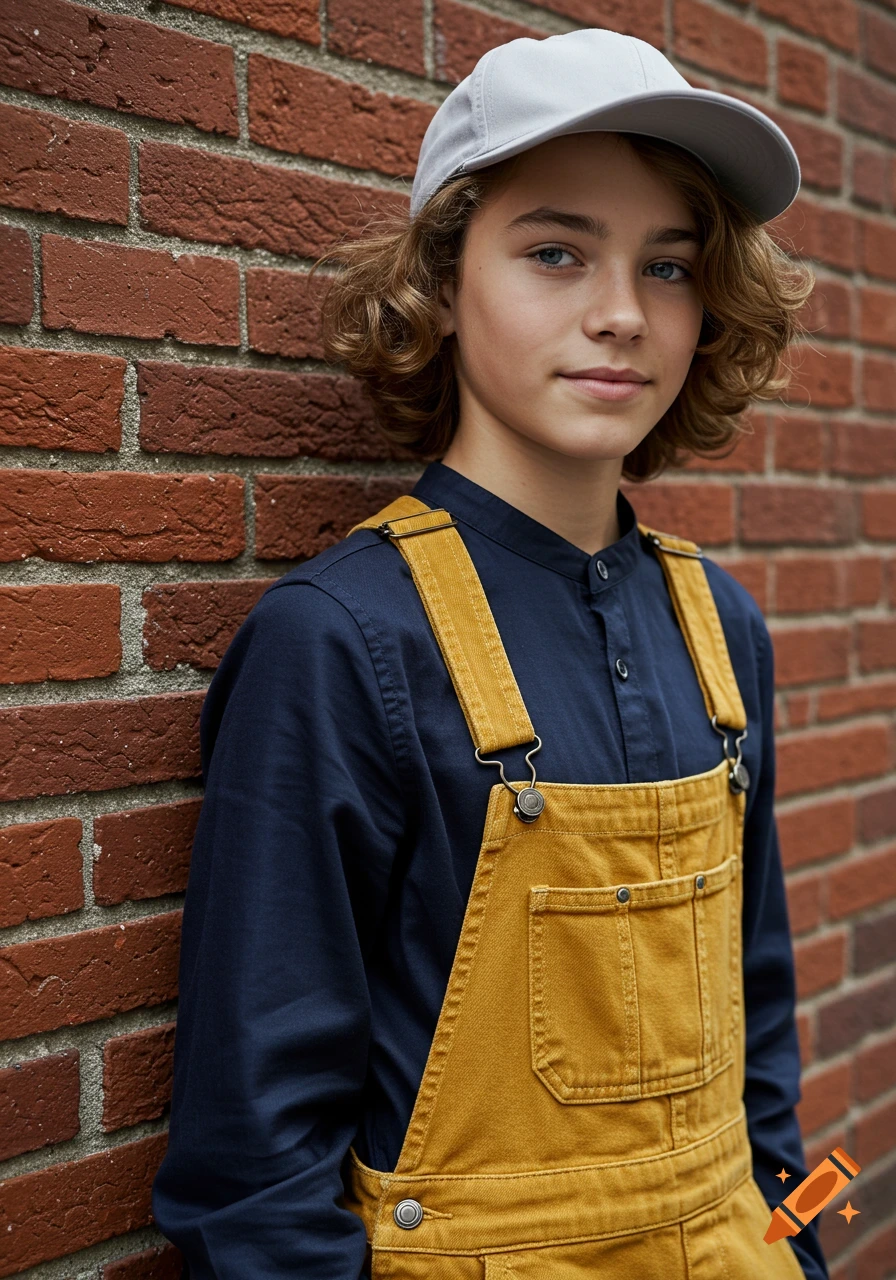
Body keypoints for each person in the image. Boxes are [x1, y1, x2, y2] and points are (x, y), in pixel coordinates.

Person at [151, 26, 829, 1280]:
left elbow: (762, 1041)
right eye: (556, 251)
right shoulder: (344, 641)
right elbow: (252, 1166)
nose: (621, 313)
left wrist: (810, 1246)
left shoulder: (721, 627)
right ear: (441, 282)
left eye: (668, 267)